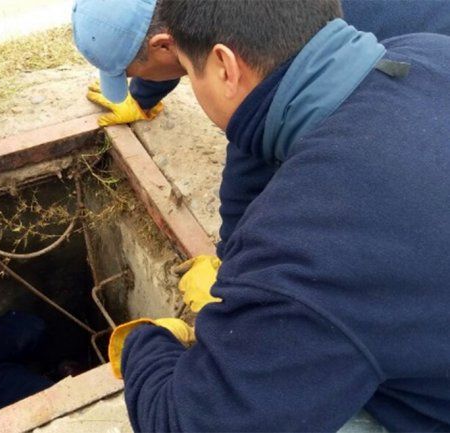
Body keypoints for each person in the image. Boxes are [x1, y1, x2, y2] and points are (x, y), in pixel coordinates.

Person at [73, 0, 450, 431]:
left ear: (224, 67)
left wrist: (146, 345)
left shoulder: (312, 245)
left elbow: (183, 423)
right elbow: (252, 148)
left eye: (191, 72)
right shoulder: (431, 49)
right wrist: (234, 263)